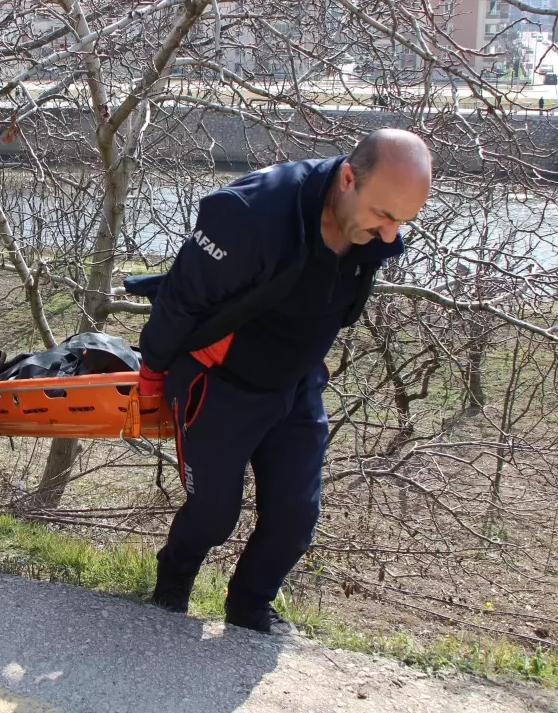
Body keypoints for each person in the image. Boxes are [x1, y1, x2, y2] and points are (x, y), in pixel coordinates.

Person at [137, 129, 432, 635]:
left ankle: (249, 606)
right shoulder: (250, 216)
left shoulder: (373, 226)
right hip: (220, 383)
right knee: (213, 514)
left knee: (295, 517)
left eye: (403, 222)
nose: (391, 236)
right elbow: (180, 298)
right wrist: (151, 376)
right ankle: (172, 589)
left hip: (295, 385)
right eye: (385, 216)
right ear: (347, 178)